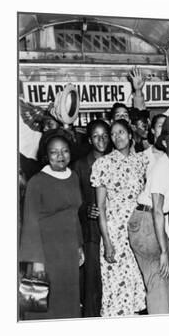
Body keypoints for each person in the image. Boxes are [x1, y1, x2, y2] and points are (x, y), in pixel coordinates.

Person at [19, 134, 84, 319]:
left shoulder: (73, 177)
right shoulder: (37, 182)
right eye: (54, 152)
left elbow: (74, 214)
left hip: (69, 254)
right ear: (46, 155)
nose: (60, 156)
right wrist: (36, 263)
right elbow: (30, 223)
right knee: (44, 307)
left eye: (64, 151)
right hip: (46, 255)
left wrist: (79, 246)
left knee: (68, 302)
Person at [128, 116, 169, 314]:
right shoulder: (162, 167)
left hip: (156, 222)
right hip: (146, 222)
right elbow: (157, 209)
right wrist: (164, 250)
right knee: (158, 281)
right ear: (164, 143)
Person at [90, 119, 148, 317]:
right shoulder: (103, 164)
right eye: (113, 134)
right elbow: (101, 206)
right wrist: (106, 241)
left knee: (136, 288)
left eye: (121, 132)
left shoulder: (141, 161)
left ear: (130, 135)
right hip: (115, 234)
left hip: (138, 232)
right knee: (117, 292)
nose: (117, 137)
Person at [73, 119, 111, 317]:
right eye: (96, 136)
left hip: (114, 233)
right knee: (93, 282)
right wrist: (86, 210)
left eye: (105, 135)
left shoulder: (115, 161)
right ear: (89, 139)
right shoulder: (80, 166)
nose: (101, 140)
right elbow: (72, 201)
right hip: (91, 233)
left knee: (111, 283)